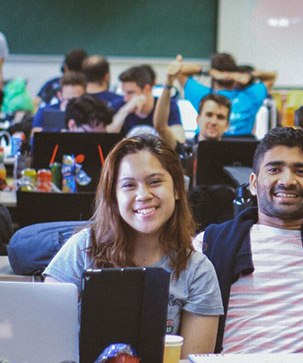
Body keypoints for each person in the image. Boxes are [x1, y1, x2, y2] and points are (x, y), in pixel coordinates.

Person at [44, 135, 223, 355]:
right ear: (114, 196)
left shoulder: (198, 271)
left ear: (177, 189)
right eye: (128, 185)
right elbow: (44, 340)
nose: (143, 195)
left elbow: (192, 358)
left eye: (154, 182)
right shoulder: (82, 248)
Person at [199, 127, 303, 355]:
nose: (287, 180)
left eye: (300, 171)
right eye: (275, 169)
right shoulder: (210, 243)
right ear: (253, 183)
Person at [172, 53, 276, 136]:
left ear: (213, 77)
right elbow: (272, 76)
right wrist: (249, 75)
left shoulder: (203, 95)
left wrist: (208, 72)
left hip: (207, 149)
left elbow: (179, 70)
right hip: (243, 150)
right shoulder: (251, 96)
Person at [109, 65, 184, 141]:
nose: (125, 99)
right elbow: (108, 138)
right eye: (124, 93)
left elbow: (179, 140)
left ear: (146, 89)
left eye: (130, 93)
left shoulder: (168, 106)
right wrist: (125, 111)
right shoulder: (120, 107)